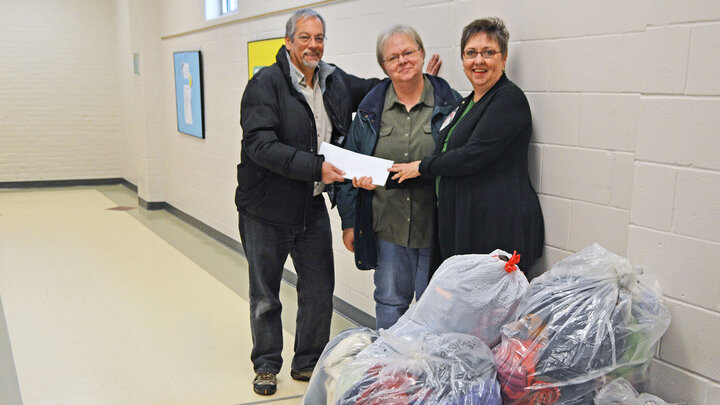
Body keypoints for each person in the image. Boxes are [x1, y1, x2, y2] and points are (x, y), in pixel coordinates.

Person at [235, 9, 440, 396]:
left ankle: (307, 362)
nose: (313, 45)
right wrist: (317, 167)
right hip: (265, 209)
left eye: (319, 38)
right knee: (266, 293)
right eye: (305, 38)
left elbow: (382, 86)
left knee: (317, 288)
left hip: (310, 207)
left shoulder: (334, 80)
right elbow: (259, 145)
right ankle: (266, 363)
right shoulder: (265, 84)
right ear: (288, 42)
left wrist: (420, 77)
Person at [390, 17, 544, 275]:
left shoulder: (508, 99)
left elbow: (472, 156)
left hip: (496, 231)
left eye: (488, 52)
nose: (478, 60)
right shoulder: (464, 104)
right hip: (464, 227)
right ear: (462, 60)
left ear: (504, 58)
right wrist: (387, 176)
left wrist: (422, 166)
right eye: (470, 53)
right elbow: (445, 159)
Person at [336, 25, 460, 330]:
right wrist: (350, 222)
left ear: (421, 53)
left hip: (436, 230)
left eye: (408, 52)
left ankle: (428, 376)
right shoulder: (369, 111)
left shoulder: (451, 103)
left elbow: (461, 163)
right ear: (383, 66)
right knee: (390, 305)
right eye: (393, 57)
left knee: (438, 311)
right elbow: (349, 167)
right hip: (387, 229)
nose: (402, 60)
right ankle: (390, 375)